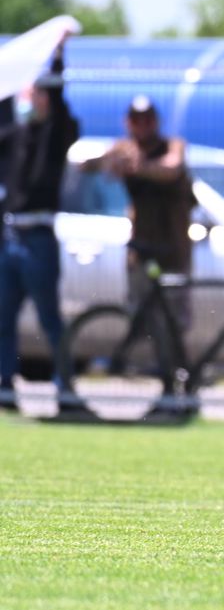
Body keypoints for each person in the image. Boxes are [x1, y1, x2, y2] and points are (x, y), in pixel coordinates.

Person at [81, 95, 195, 408]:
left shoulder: (173, 146)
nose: (142, 125)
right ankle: (164, 382)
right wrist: (109, 162)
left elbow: (170, 169)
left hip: (173, 250)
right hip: (141, 252)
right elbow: (86, 166)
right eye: (136, 119)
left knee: (175, 321)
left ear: (156, 121)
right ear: (127, 122)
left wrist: (137, 166)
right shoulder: (125, 147)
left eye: (147, 119)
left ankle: (180, 385)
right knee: (145, 317)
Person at [0, 49, 81, 412]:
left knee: (50, 319)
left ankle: (65, 389)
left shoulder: (56, 136)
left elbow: (60, 110)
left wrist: (57, 59)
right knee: (3, 318)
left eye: (41, 94)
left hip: (38, 239)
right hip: (10, 238)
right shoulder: (16, 137)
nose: (35, 100)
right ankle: (4, 387)